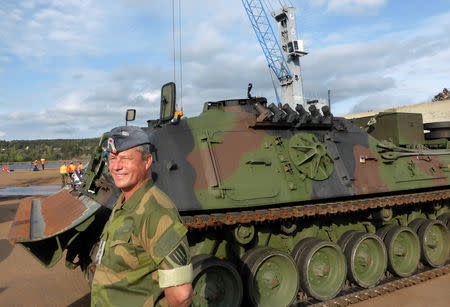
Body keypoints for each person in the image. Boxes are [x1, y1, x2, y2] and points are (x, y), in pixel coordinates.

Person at [91, 126, 193, 307]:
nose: (116, 166)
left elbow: (181, 295)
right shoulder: (124, 201)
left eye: (125, 158)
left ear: (147, 162)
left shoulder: (155, 212)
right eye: (113, 158)